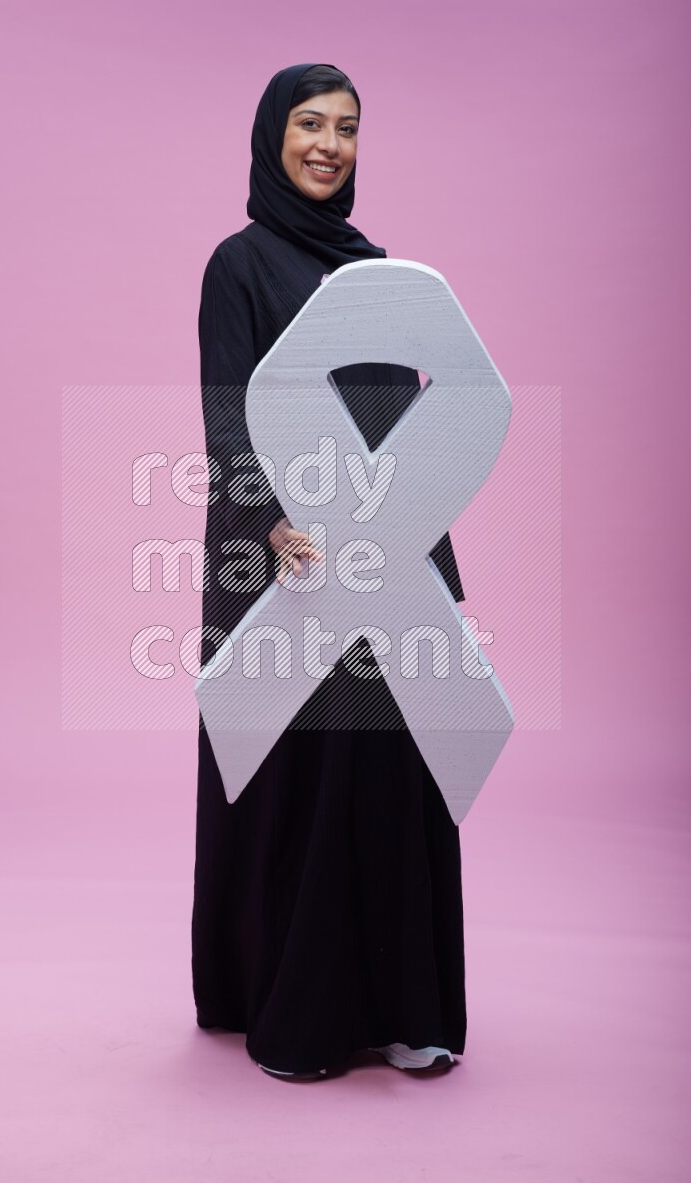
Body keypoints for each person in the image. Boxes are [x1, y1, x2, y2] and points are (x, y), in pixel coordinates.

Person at [191, 63, 467, 1080]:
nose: (328, 144)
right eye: (309, 123)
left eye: (346, 128)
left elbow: (409, 424)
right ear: (271, 135)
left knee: (392, 776)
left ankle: (401, 1010)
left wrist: (438, 577)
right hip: (287, 562)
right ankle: (291, 1011)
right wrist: (268, 523)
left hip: (384, 557)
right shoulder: (239, 265)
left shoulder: (376, 272)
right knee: (296, 784)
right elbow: (227, 411)